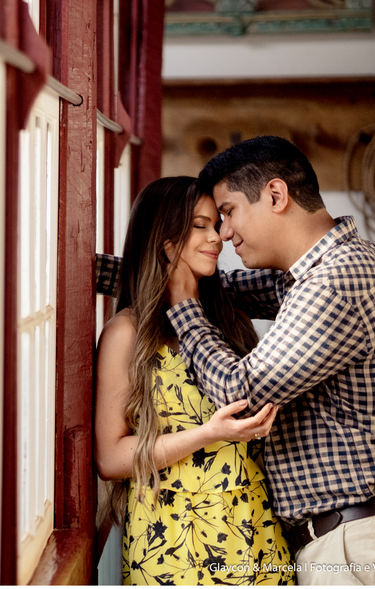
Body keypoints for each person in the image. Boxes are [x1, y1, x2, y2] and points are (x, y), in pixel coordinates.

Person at [163, 136, 375, 585]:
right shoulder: (311, 276)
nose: (223, 233)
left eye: (228, 212)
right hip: (350, 541)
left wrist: (183, 305)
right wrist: (117, 267)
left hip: (358, 546)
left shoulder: (337, 279)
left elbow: (239, 392)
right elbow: (220, 291)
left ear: (276, 195)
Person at [95, 176, 295, 585]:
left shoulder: (227, 319)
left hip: (254, 525)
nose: (218, 238)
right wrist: (208, 434)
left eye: (217, 224)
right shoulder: (127, 334)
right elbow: (110, 458)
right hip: (172, 537)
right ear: (165, 242)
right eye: (201, 226)